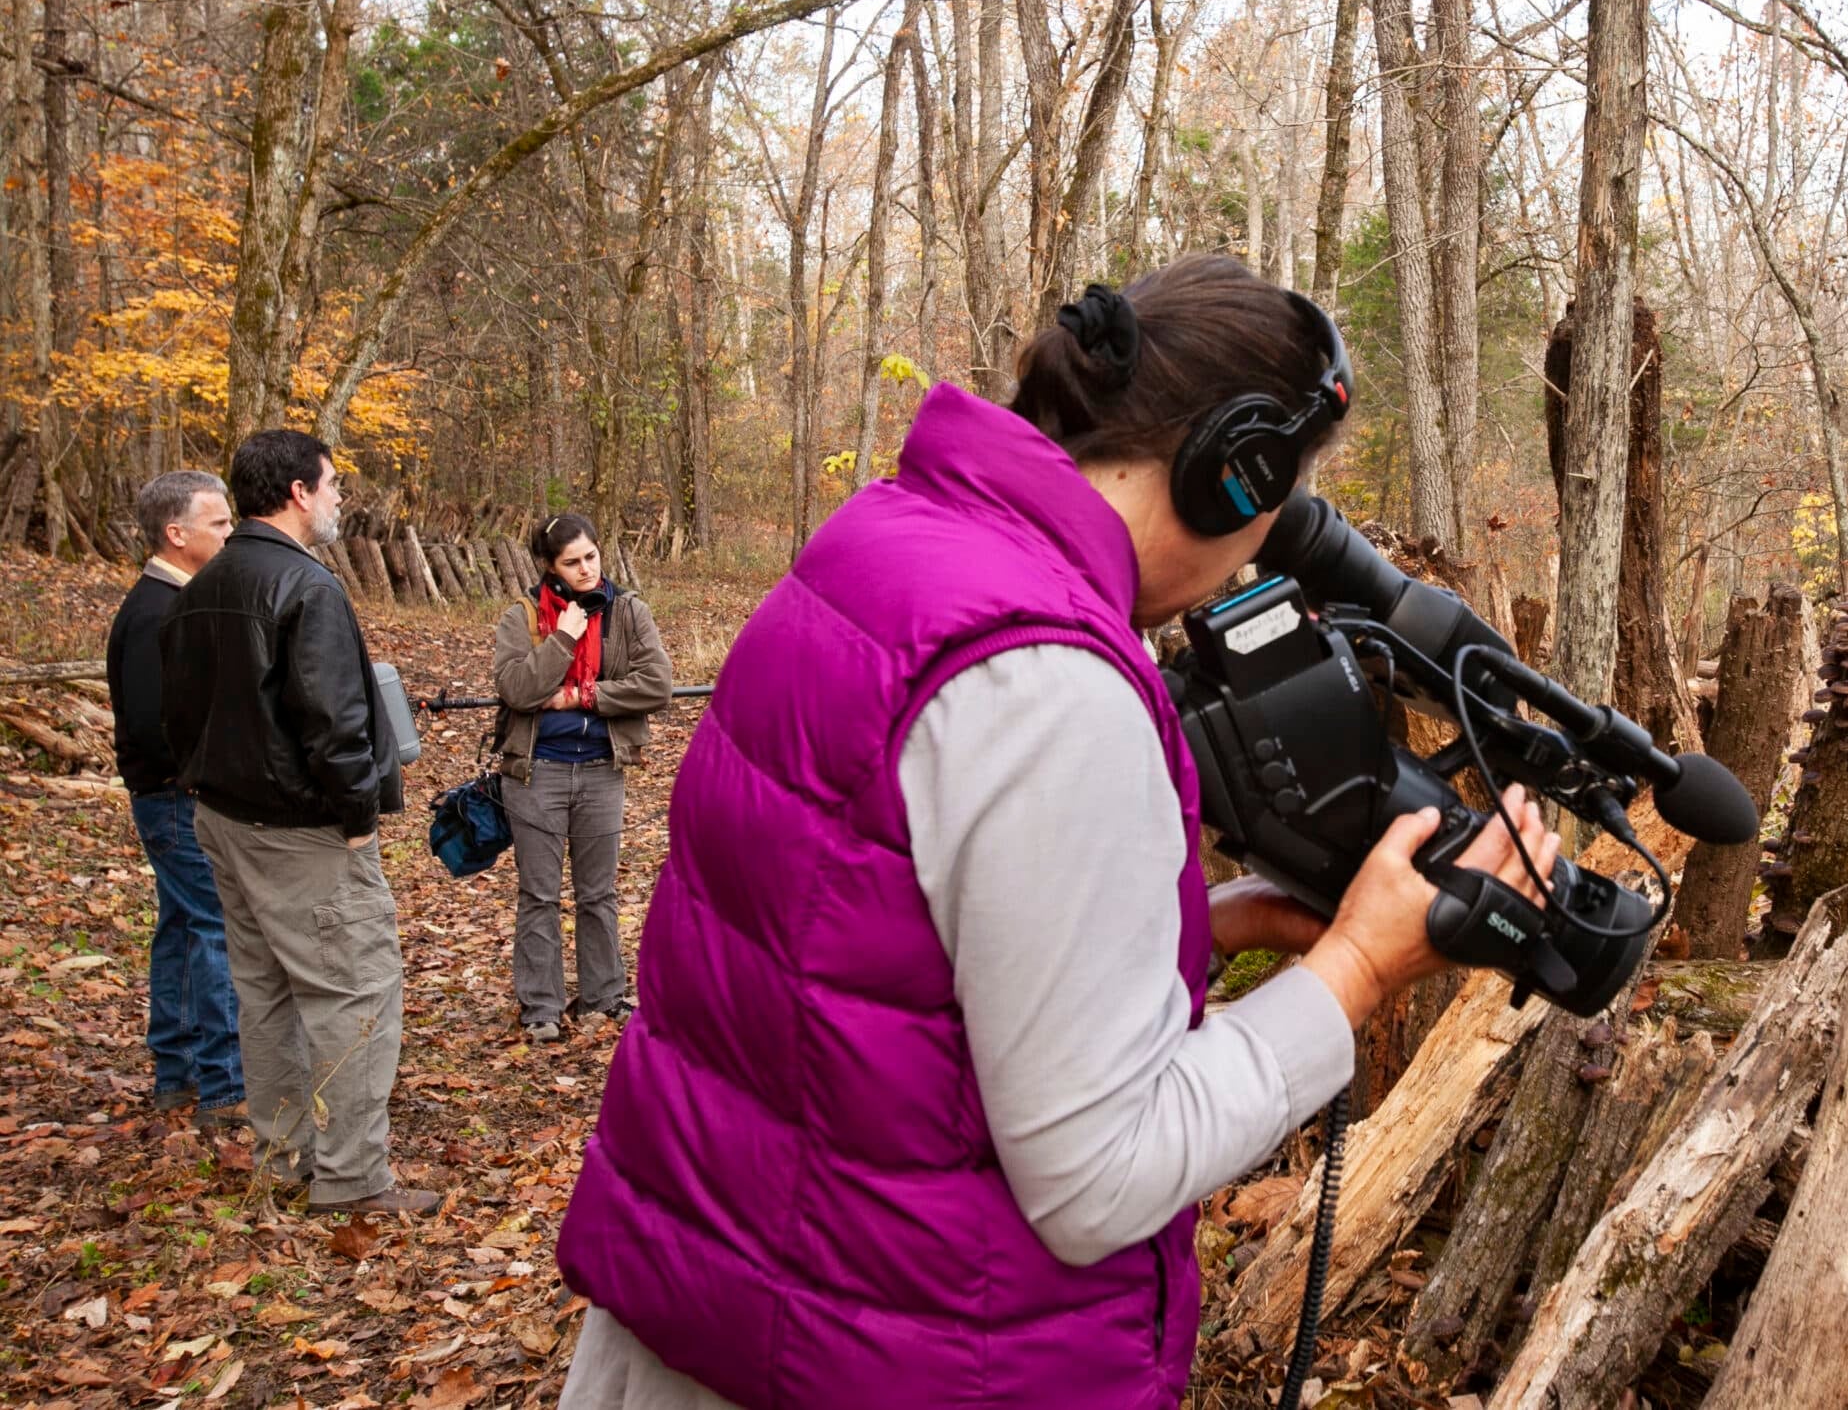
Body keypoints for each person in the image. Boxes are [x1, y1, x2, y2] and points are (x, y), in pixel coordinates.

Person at [553, 254, 1560, 1410]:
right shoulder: (1053, 684)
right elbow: (1096, 1178)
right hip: (895, 1360)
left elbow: (859, 959)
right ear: (1234, 477)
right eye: (1272, 514)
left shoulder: (882, 552)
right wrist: (1359, 968)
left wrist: (1201, 927)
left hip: (724, 1313)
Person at [159, 429, 434, 1216]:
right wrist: (355, 819)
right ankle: (351, 1178)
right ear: (297, 492)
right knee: (354, 990)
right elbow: (334, 723)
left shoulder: (201, 585)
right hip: (298, 828)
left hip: (224, 817)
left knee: (266, 992)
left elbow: (180, 715)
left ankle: (282, 1157)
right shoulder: (304, 588)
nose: (341, 496)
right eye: (333, 482)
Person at [490, 512, 672, 1043]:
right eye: (572, 562)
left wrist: (584, 695)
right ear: (550, 567)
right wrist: (563, 639)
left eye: (591, 556)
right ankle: (541, 1007)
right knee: (539, 894)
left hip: (601, 769)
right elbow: (518, 689)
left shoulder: (627, 610)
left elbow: (656, 684)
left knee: (598, 892)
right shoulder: (521, 617)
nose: (586, 569)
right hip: (536, 772)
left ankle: (604, 995)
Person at [106, 469, 243, 1124]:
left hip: (176, 797)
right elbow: (152, 724)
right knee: (216, 930)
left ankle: (179, 1072)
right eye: (218, 522)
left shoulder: (178, 601)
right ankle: (222, 1086)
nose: (229, 531)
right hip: (174, 799)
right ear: (175, 532)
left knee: (184, 928)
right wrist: (210, 773)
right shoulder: (154, 611)